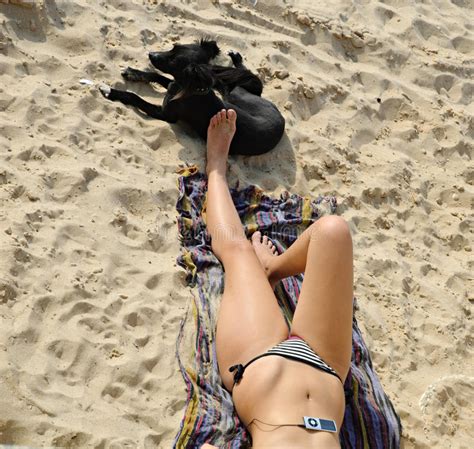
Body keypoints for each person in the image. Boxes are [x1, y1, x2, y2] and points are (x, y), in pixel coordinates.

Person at [201, 109, 354, 449]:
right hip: (325, 366)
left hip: (259, 364)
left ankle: (215, 167)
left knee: (239, 252)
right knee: (333, 231)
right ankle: (273, 269)